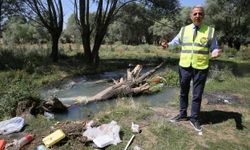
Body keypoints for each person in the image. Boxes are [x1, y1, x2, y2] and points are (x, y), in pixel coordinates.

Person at [161, 5, 222, 132]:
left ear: (203, 16)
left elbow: (214, 47)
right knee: (183, 92)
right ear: (191, 16)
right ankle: (182, 115)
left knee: (197, 94)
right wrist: (167, 45)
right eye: (195, 14)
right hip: (184, 66)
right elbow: (174, 43)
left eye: (200, 14)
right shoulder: (184, 30)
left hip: (201, 67)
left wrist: (215, 52)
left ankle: (194, 118)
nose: (197, 16)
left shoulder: (210, 31)